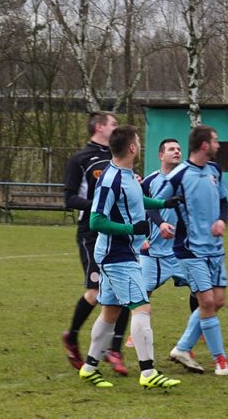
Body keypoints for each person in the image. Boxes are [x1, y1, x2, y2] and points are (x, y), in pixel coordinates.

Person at [78, 125, 182, 389]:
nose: (140, 144)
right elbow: (96, 220)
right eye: (138, 141)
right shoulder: (111, 179)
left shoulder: (127, 176)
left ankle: (89, 367)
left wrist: (163, 204)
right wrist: (130, 230)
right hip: (117, 253)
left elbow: (136, 201)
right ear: (133, 148)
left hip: (123, 251)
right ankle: (148, 373)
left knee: (111, 311)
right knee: (142, 307)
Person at [155, 125, 228, 376]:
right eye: (216, 141)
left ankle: (183, 347)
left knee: (218, 301)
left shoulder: (215, 170)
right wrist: (161, 221)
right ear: (205, 146)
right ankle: (220, 359)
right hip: (190, 249)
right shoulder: (179, 175)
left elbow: (223, 200)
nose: (219, 145)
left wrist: (221, 219)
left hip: (215, 249)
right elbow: (154, 202)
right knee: (207, 301)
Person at [61, 111, 130, 376]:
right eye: (113, 124)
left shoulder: (118, 158)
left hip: (116, 232)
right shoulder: (81, 159)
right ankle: (72, 336)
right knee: (95, 291)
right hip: (91, 232)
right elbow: (69, 199)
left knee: (124, 290)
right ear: (100, 127)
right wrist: (99, 206)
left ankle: (114, 350)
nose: (117, 128)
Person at [139, 139, 206, 374]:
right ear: (160, 155)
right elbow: (139, 207)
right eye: (171, 149)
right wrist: (142, 236)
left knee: (202, 292)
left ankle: (194, 335)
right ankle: (134, 333)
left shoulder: (187, 178)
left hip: (182, 250)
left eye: (179, 149)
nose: (177, 152)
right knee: (141, 293)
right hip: (154, 251)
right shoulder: (149, 181)